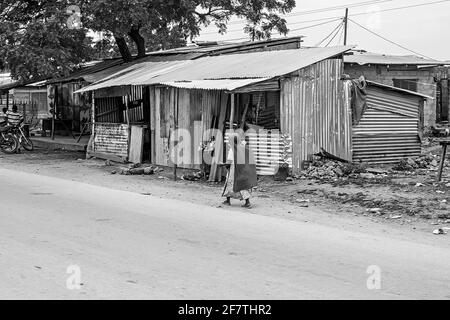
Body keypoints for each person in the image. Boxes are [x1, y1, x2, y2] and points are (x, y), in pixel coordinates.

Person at [222, 132, 257, 208]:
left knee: (230, 184)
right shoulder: (243, 147)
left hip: (234, 171)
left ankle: (228, 201)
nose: (228, 141)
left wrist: (222, 164)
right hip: (242, 170)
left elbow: (229, 162)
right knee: (243, 186)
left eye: (229, 139)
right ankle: (247, 202)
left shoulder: (232, 150)